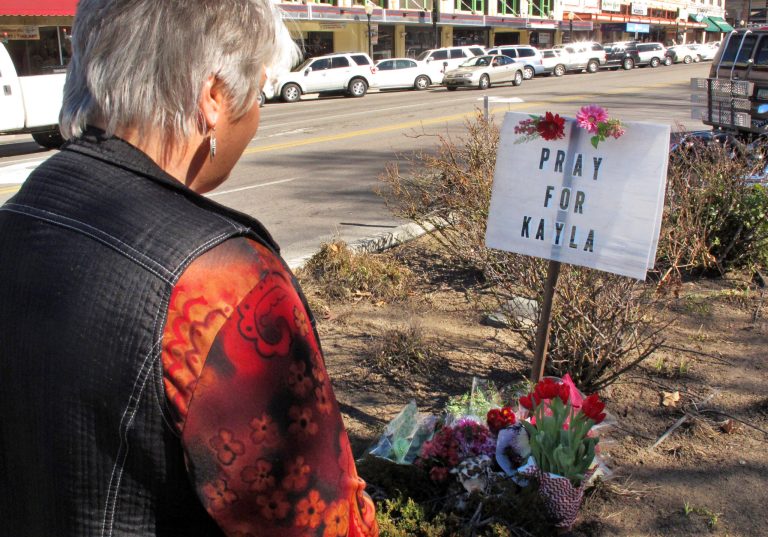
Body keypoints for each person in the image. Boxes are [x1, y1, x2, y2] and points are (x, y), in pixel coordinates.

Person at [0, 1, 378, 536]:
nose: (257, 116)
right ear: (215, 97)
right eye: (259, 94)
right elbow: (314, 521)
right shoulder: (224, 282)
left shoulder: (16, 220)